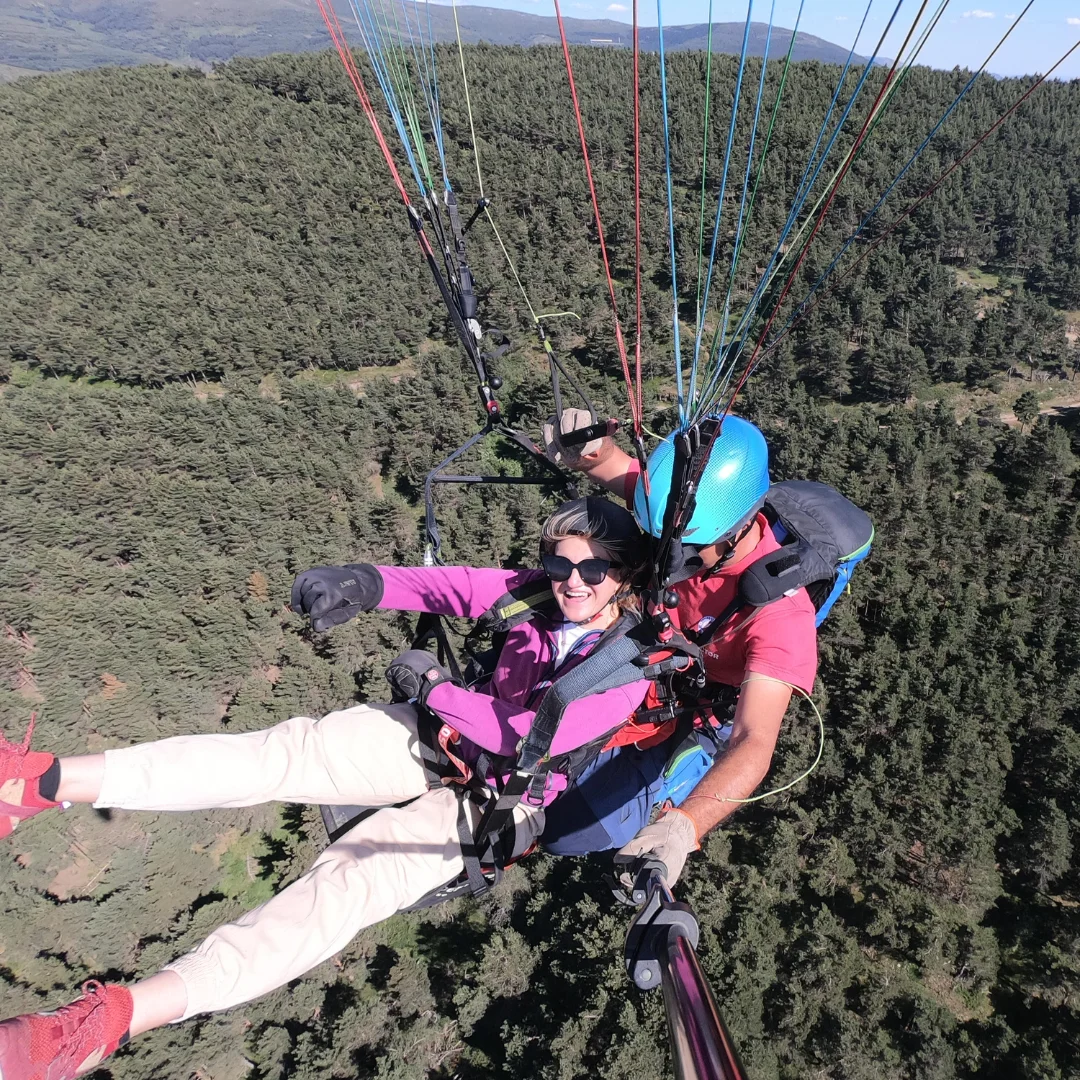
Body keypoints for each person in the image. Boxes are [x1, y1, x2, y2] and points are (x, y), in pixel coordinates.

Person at [0, 497, 649, 1080]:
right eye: (561, 564)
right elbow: (448, 588)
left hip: (503, 802)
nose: (573, 582)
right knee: (286, 752)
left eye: (594, 569)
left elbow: (527, 737)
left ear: (624, 574)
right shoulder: (534, 593)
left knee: (349, 882)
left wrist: (435, 689)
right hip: (446, 736)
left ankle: (108, 1022)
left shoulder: (628, 669)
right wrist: (365, 583)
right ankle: (39, 783)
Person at [540, 409, 819, 888]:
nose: (672, 552)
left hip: (697, 705)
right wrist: (587, 448)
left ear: (737, 531)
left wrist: (684, 826)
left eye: (691, 547)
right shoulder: (680, 517)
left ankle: (672, 778)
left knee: (565, 833)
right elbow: (610, 464)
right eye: (665, 535)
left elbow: (753, 741)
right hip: (648, 660)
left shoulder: (782, 617)